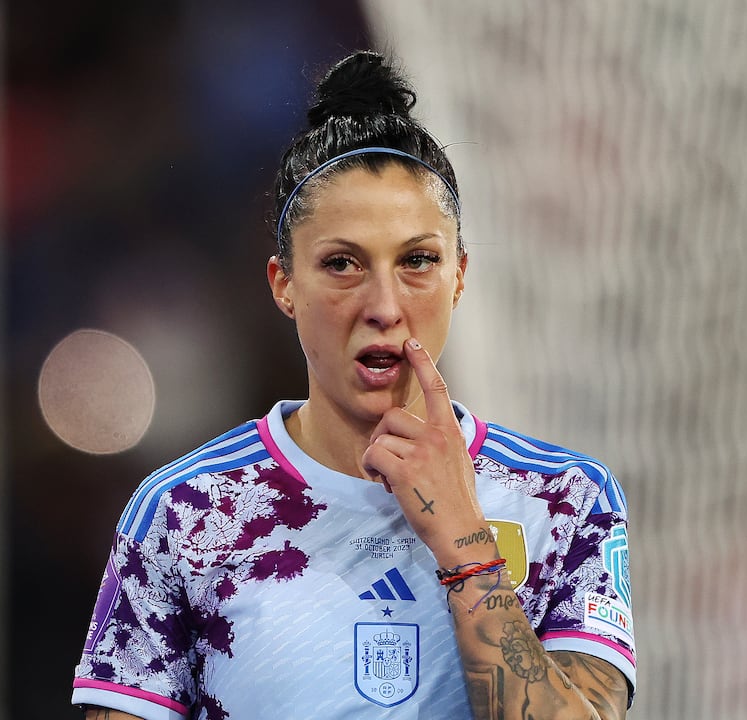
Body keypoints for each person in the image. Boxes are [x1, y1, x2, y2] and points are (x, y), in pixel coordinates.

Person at [72, 50, 636, 719]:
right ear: (285, 285)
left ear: (460, 276)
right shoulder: (185, 515)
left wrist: (465, 543)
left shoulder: (565, 501)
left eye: (418, 261)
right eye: (342, 264)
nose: (384, 305)